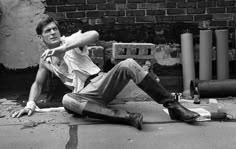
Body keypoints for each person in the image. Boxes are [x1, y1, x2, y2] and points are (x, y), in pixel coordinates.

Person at [12, 16, 200, 130]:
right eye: (48, 31)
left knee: (128, 63)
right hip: (84, 96)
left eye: (55, 29)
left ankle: (174, 107)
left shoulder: (70, 41)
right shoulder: (45, 60)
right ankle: (127, 118)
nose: (53, 33)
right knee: (67, 100)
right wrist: (30, 104)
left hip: (102, 82)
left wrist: (65, 47)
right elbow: (37, 84)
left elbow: (94, 34)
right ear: (41, 37)